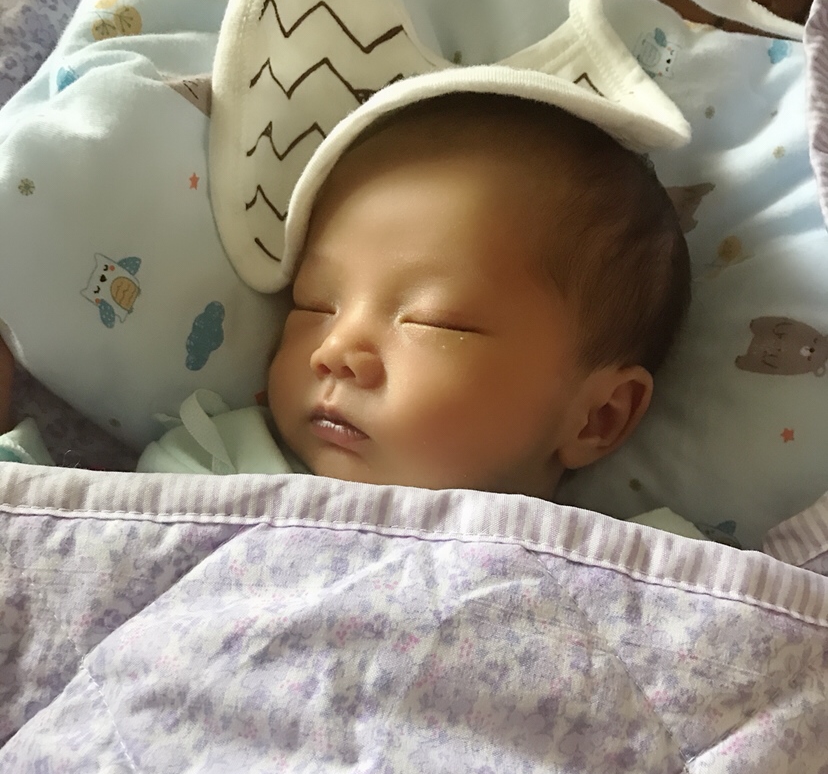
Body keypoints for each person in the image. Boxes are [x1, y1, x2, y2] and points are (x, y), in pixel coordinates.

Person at [0, 92, 691, 502]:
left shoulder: (653, 579)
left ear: (598, 417)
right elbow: (78, 564)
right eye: (314, 306)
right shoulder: (215, 469)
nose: (334, 350)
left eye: (432, 321)